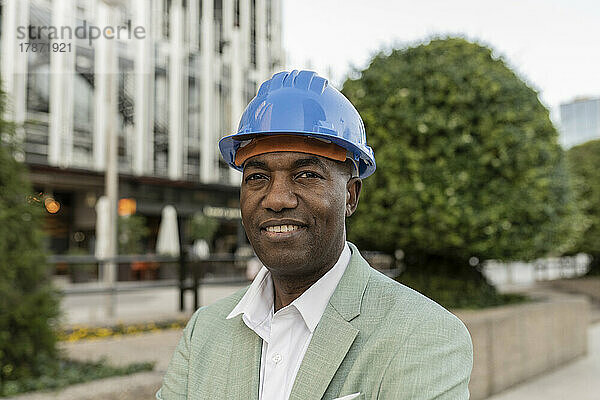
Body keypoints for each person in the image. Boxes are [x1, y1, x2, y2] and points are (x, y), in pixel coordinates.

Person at [157, 70, 473, 400]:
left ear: (351, 195)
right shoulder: (204, 330)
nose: (277, 199)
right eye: (257, 177)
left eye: (307, 174)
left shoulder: (423, 334)